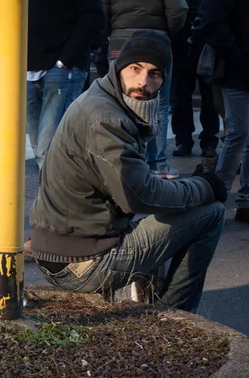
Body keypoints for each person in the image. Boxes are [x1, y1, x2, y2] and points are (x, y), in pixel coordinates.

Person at [28, 30, 226, 313]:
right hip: (81, 265)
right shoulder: (106, 117)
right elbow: (138, 196)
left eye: (154, 73)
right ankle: (173, 317)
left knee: (170, 210)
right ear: (119, 68)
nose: (143, 82)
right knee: (211, 212)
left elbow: (125, 183)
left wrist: (173, 187)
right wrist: (203, 187)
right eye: (135, 69)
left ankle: (147, 299)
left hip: (64, 249)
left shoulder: (103, 97)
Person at [100, 0, 188, 179]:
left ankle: (123, 163)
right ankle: (157, 164)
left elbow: (101, 15)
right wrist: (164, 32)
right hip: (156, 44)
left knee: (118, 103)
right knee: (159, 105)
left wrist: (114, 32)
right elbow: (179, 10)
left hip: (119, 44)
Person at [26, 0, 105, 170]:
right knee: (42, 150)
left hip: (62, 68)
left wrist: (66, 61)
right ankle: (55, 197)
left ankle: (57, 199)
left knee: (48, 151)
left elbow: (93, 15)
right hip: (28, 67)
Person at [200, 0, 249, 223]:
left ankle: (248, 201)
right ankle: (216, 197)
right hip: (238, 71)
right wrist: (239, 59)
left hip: (242, 66)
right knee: (239, 133)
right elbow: (211, 24)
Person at [170, 0, 219, 159]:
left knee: (208, 97)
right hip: (183, 40)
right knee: (181, 95)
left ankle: (207, 140)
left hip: (204, 41)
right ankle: (185, 139)